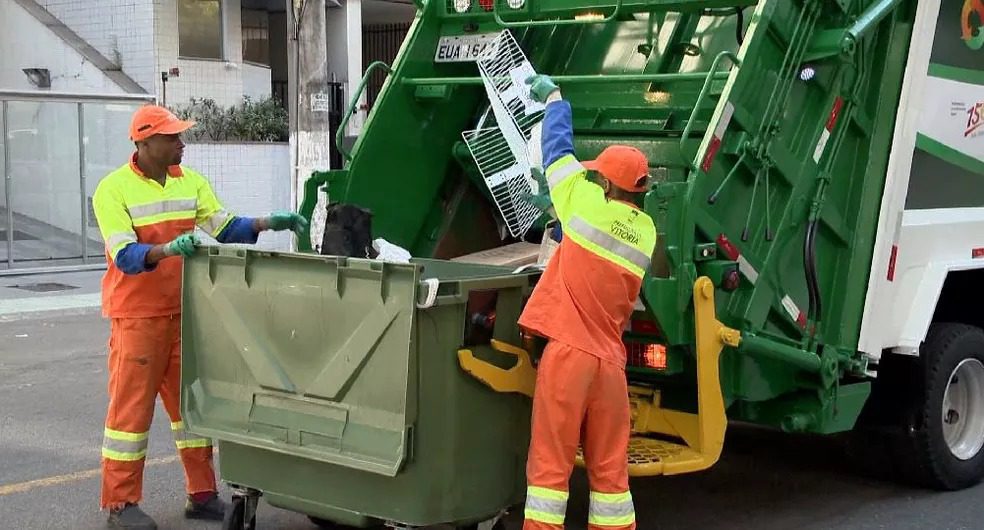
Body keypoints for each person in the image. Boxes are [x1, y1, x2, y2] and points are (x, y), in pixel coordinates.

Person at [92, 105, 308, 530]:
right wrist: (167, 250)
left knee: (192, 412)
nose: (181, 144)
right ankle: (120, 505)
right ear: (145, 142)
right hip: (137, 319)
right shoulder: (113, 190)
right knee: (129, 418)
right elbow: (125, 257)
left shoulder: (190, 182)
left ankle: (202, 494)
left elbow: (225, 228)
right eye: (173, 138)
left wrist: (269, 221)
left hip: (183, 314)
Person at [518, 75, 658, 530]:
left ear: (607, 184)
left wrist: (556, 102)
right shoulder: (645, 233)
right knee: (611, 482)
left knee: (548, 475)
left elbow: (558, 154)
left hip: (570, 357)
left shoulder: (585, 206)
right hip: (610, 368)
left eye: (599, 176)